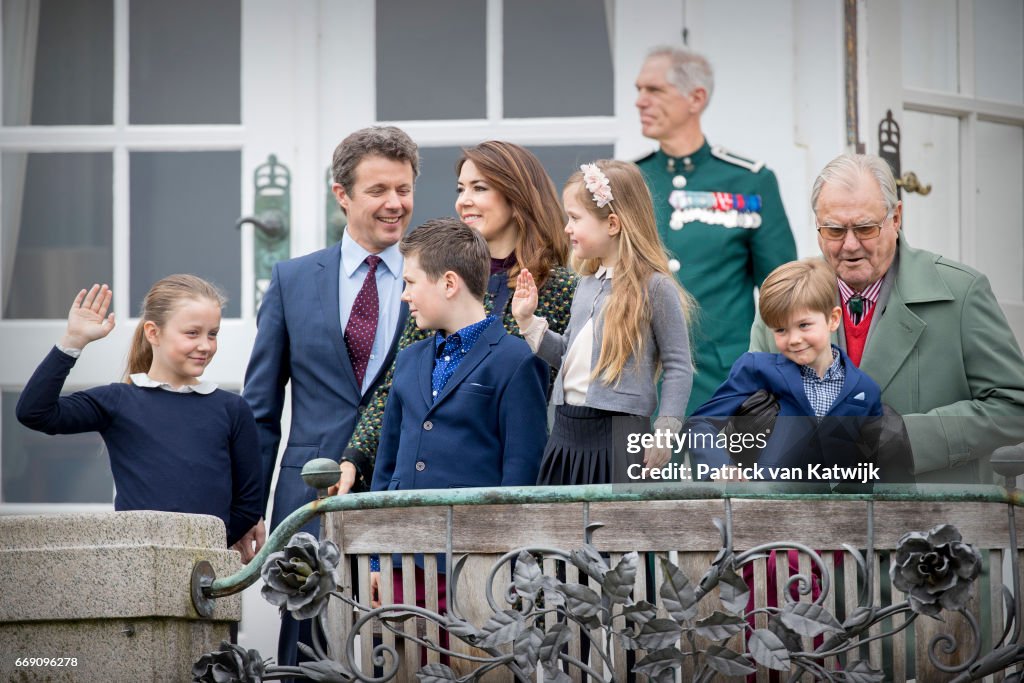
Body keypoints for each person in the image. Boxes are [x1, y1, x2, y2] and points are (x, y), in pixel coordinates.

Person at [242, 126, 418, 670]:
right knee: (306, 652)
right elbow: (261, 409)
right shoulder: (292, 280)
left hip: (401, 486)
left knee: (405, 642)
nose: (395, 204)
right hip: (308, 496)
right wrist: (247, 505)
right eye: (379, 190)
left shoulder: (436, 275)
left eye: (405, 189)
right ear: (341, 195)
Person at [749, 153, 1024, 485]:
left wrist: (912, 437)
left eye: (865, 228)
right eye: (834, 230)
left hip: (933, 523)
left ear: (896, 218)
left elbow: (1013, 407)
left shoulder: (962, 292)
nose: (850, 245)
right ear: (817, 226)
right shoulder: (785, 296)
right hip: (813, 524)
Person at [333, 140, 577, 493]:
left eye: (479, 188)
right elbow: (399, 383)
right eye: (461, 189)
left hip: (499, 474)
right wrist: (356, 454)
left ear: (516, 195)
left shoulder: (559, 286)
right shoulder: (435, 276)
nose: (464, 200)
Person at [16, 278, 262, 555]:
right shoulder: (118, 401)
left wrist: (209, 545)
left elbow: (249, 500)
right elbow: (34, 412)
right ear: (153, 333)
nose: (205, 345)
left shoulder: (232, 409)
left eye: (212, 334)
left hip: (207, 568)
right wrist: (73, 342)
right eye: (192, 333)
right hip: (137, 566)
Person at [634, 45, 797, 414]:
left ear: (696, 98)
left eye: (654, 90)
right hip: (642, 381)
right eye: (638, 90)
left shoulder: (749, 181)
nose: (640, 101)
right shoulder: (630, 181)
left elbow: (783, 292)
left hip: (725, 381)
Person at [513, 160, 694, 484]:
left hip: (621, 437)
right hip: (567, 431)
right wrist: (528, 321)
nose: (567, 227)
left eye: (575, 218)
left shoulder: (655, 286)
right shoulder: (586, 282)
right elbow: (567, 353)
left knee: (614, 533)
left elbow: (678, 365)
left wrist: (665, 431)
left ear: (612, 223)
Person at [689, 258, 883, 478]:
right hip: (763, 505)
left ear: (833, 319)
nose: (794, 339)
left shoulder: (866, 391)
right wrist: (720, 468)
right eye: (781, 330)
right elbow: (700, 424)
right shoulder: (756, 370)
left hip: (834, 508)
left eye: (804, 325)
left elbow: (871, 467)